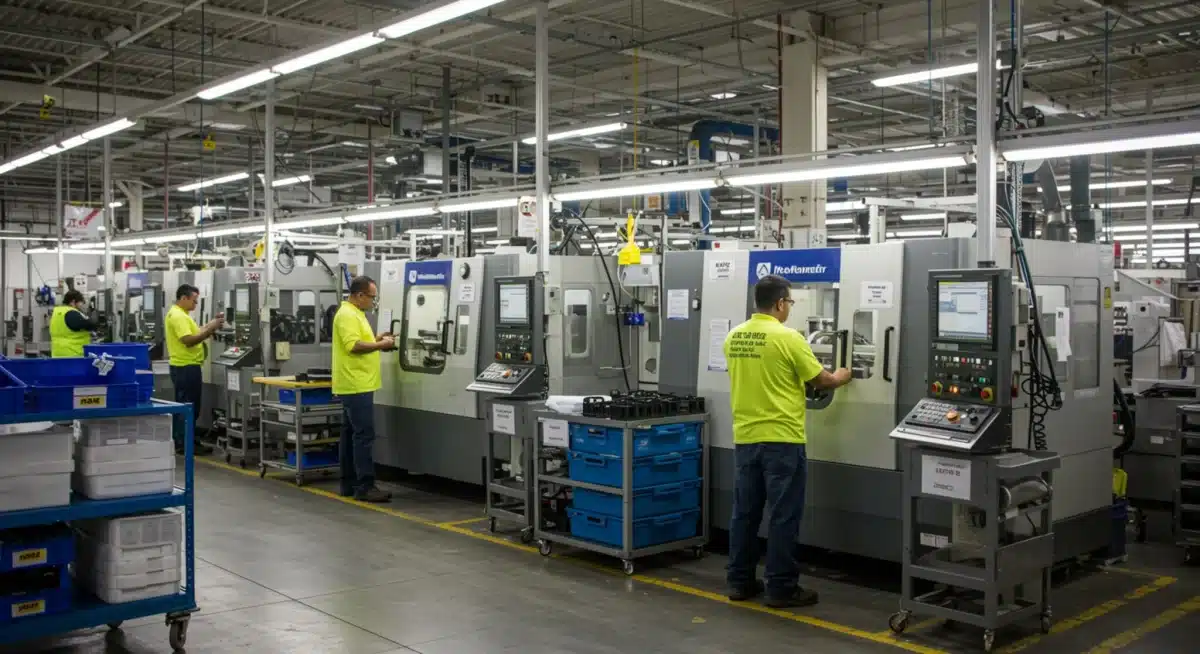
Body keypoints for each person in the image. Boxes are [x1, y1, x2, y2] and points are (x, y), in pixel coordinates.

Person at [723, 274, 852, 608]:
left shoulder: (734, 337)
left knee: (745, 514)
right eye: (789, 302)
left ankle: (739, 582)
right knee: (783, 516)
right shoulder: (788, 337)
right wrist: (842, 375)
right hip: (782, 440)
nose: (789, 308)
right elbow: (821, 380)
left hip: (746, 438)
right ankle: (780, 587)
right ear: (780, 303)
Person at [333, 276, 395, 503]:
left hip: (357, 383)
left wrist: (377, 339)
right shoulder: (347, 315)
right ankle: (365, 486)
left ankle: (349, 484)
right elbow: (354, 345)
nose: (373, 301)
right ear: (359, 295)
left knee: (350, 434)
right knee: (364, 436)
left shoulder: (355, 313)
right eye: (372, 297)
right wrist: (381, 345)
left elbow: (360, 340)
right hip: (356, 384)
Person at [166, 284, 223, 455]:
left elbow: (195, 332)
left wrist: (210, 325)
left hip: (185, 366)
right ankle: (184, 443)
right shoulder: (178, 316)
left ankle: (185, 440)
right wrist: (210, 329)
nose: (196, 304)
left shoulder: (180, 314)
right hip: (186, 367)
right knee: (189, 406)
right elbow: (189, 340)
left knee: (187, 405)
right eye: (194, 301)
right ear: (184, 298)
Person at [49, 290, 98, 358]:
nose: (82, 305)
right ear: (73, 302)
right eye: (81, 302)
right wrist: (92, 312)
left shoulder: (57, 312)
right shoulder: (71, 313)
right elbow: (91, 325)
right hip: (73, 355)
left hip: (57, 354)